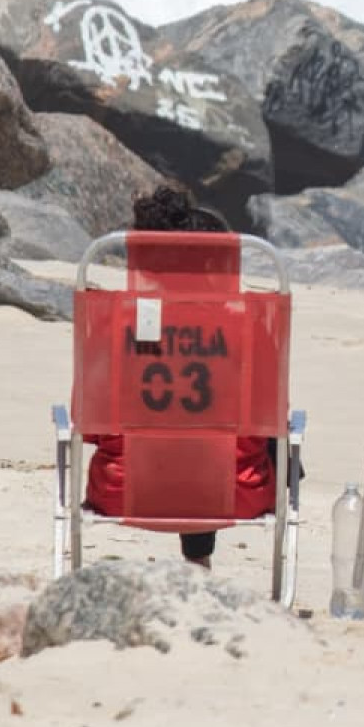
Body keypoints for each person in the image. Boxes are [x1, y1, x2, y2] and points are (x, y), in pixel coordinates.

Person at [81, 186, 276, 568]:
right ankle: (197, 561)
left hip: (126, 489)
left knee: (175, 436)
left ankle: (196, 562)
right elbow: (270, 417)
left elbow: (90, 425)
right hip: (233, 492)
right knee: (218, 439)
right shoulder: (249, 326)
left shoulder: (113, 322)